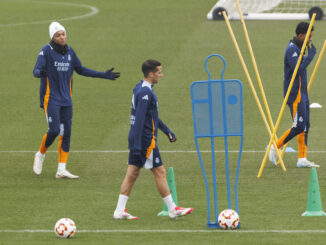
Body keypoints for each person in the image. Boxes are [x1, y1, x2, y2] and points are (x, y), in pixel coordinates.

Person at [33, 22, 120, 178]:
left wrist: (103, 75)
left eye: (63, 34)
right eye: (57, 35)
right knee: (54, 130)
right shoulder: (46, 51)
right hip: (51, 98)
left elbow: (80, 69)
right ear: (52, 37)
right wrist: (41, 71)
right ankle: (40, 154)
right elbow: (36, 70)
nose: (61, 37)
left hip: (67, 100)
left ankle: (61, 169)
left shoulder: (70, 52)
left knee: (66, 133)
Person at [113, 59, 193, 220]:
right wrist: (137, 144)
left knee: (132, 173)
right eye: (159, 72)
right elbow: (141, 119)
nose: (161, 75)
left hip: (139, 138)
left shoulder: (140, 87)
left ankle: (119, 210)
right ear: (151, 74)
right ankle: (172, 209)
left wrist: (166, 131)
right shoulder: (145, 93)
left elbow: (151, 116)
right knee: (159, 171)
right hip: (145, 140)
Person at [269, 22, 318, 168]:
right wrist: (310, 57)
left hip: (303, 93)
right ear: (301, 35)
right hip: (294, 94)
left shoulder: (300, 48)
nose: (310, 39)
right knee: (299, 126)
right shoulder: (292, 49)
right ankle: (274, 147)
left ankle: (302, 159)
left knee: (306, 125)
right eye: (308, 36)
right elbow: (298, 68)